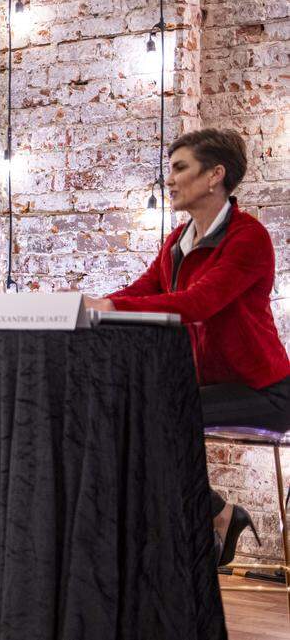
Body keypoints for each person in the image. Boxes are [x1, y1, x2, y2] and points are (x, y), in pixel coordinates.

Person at [85, 128, 290, 565]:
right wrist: (91, 307)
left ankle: (206, 520)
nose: (170, 179)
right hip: (209, 386)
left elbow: (198, 303)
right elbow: (141, 291)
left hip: (266, 391)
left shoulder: (248, 238)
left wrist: (109, 306)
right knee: (126, 411)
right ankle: (216, 514)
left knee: (154, 413)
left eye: (180, 168)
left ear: (215, 175)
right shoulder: (177, 242)